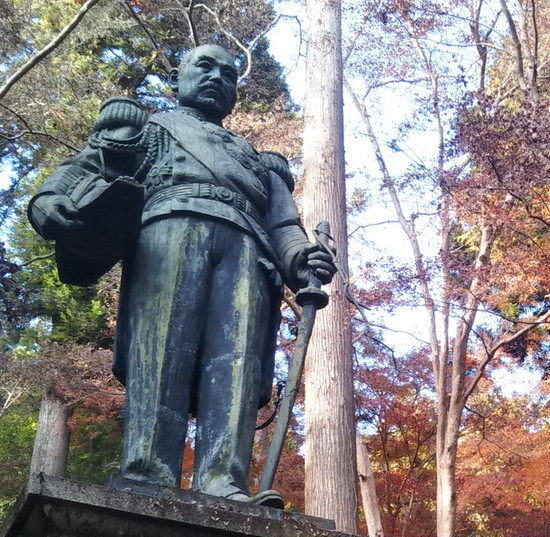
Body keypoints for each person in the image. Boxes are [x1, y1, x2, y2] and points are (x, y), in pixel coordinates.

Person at [28, 45, 335, 507]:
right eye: (204, 67)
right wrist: (49, 203)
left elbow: (284, 227)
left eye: (228, 74)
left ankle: (224, 479)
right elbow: (83, 170)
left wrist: (303, 260)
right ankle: (147, 471)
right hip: (167, 237)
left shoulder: (258, 160)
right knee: (162, 352)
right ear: (176, 78)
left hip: (248, 253)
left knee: (236, 362)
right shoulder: (151, 131)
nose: (216, 78)